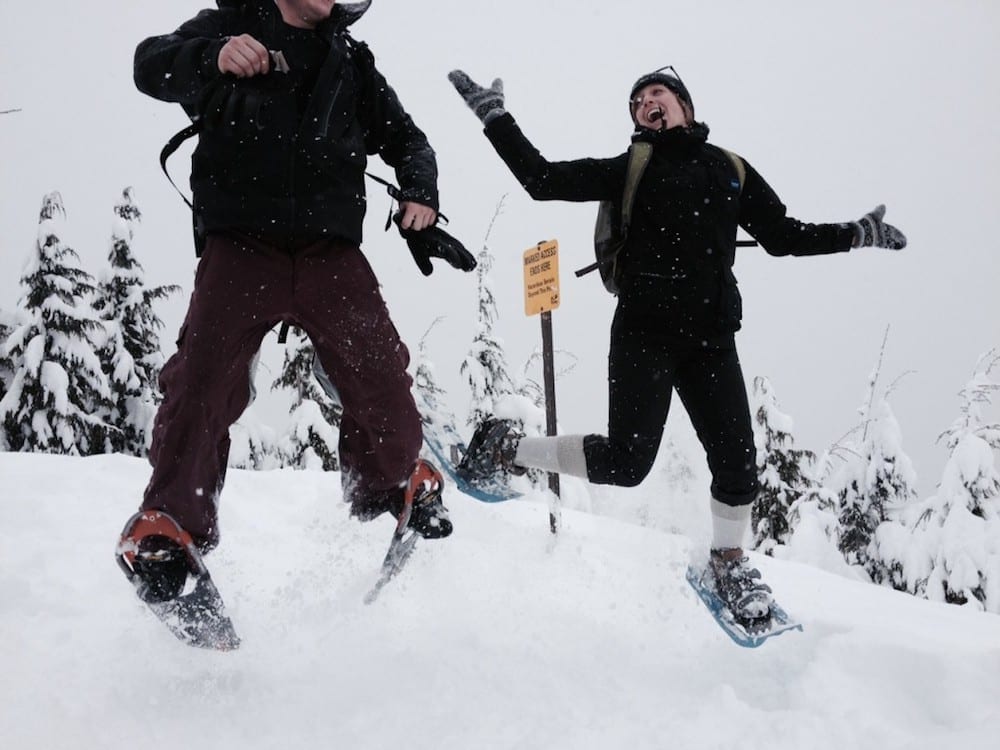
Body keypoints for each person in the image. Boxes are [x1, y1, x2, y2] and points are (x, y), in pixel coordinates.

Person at [448, 66, 906, 630]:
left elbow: (785, 237)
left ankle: (727, 563)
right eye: (637, 102)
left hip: (711, 341)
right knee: (626, 464)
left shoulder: (731, 168)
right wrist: (495, 117)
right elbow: (541, 179)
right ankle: (503, 447)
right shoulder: (631, 168)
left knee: (739, 465)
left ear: (684, 103)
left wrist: (855, 233)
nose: (646, 104)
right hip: (643, 333)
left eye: (656, 94)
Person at [116, 0, 463, 605]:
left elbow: (409, 140)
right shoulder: (228, 25)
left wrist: (420, 192)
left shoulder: (351, 60)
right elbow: (149, 66)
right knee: (203, 378)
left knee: (378, 369)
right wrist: (210, 56)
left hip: (330, 251)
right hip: (243, 245)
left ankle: (394, 480)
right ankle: (168, 526)